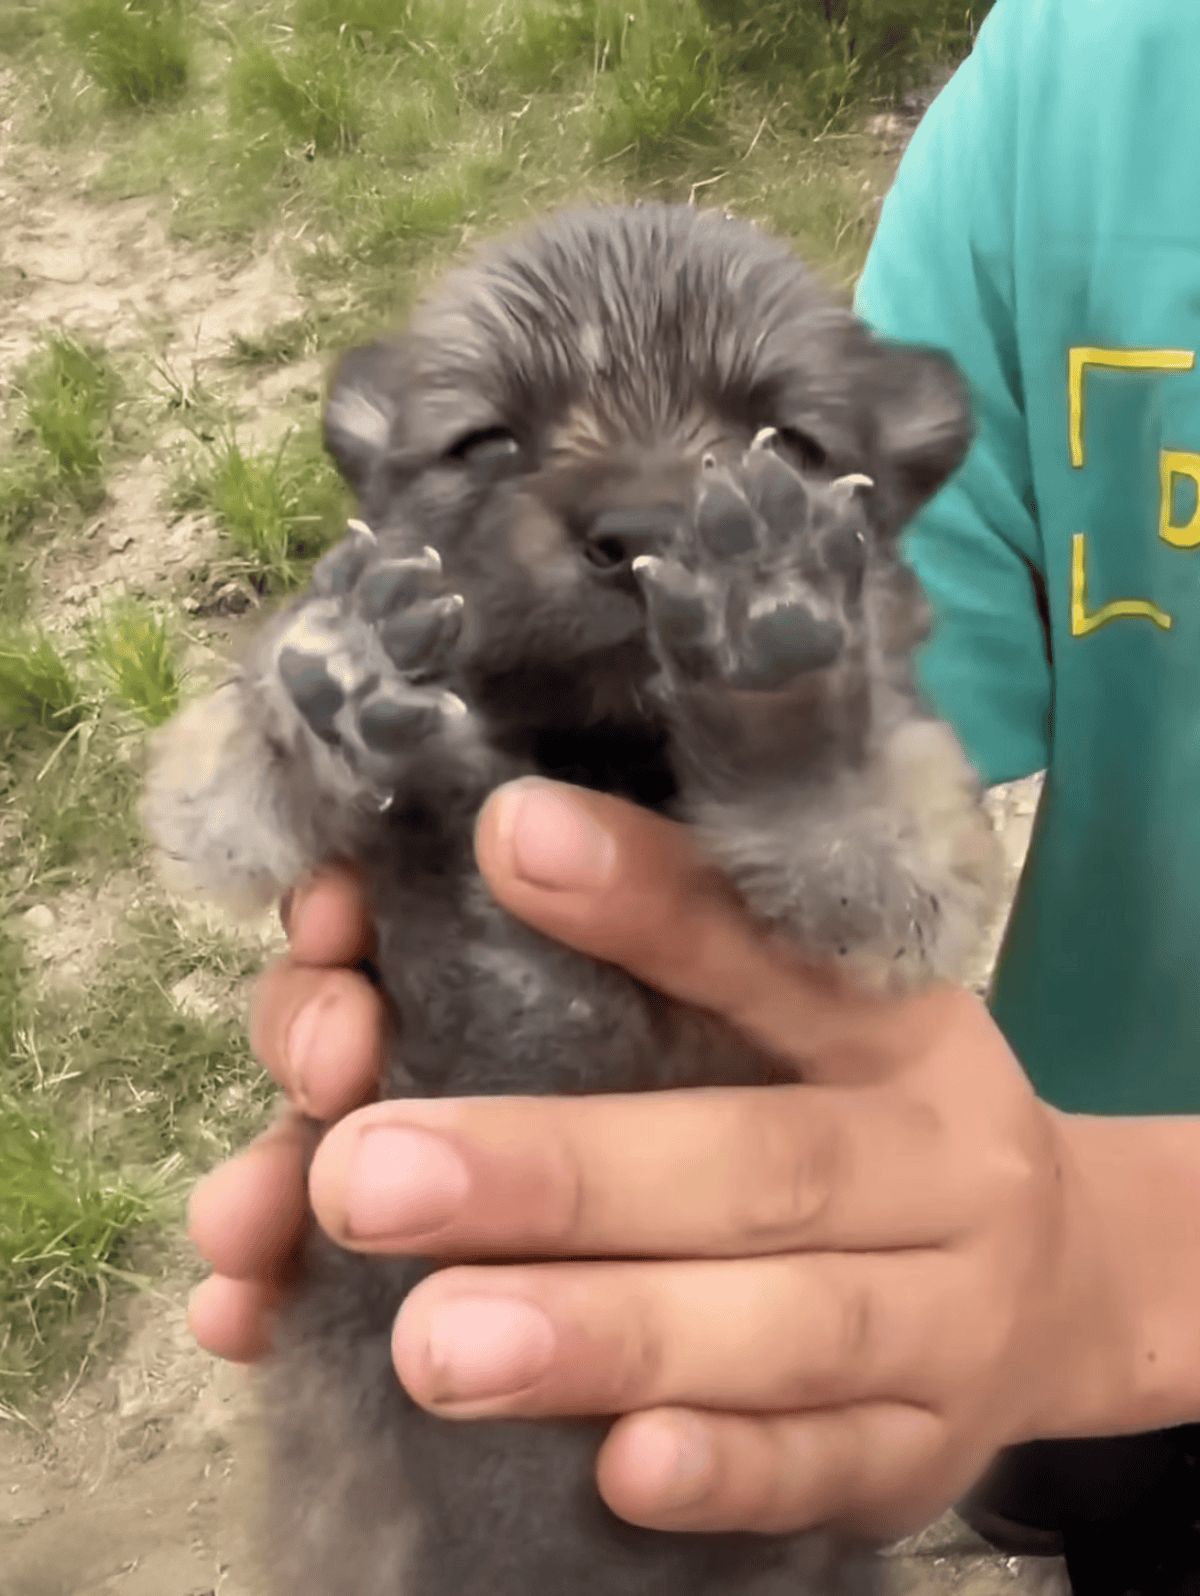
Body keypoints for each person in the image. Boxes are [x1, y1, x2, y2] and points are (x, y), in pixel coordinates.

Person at [187, 0, 1200, 1588]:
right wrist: (292, 735)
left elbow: (891, 899)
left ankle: (780, 717)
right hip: (412, 1417)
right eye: (490, 440)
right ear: (376, 456)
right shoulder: (1067, 97)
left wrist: (797, 755)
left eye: (774, 442)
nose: (644, 507)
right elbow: (224, 837)